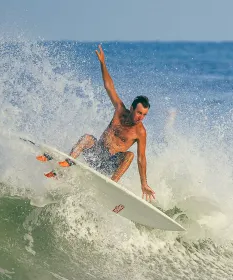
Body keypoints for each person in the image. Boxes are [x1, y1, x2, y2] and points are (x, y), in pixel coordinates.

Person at [40, 45, 155, 202]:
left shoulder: (140, 132)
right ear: (132, 108)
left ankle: (111, 186)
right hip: (96, 154)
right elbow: (109, 86)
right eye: (139, 113)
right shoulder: (120, 110)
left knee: (130, 155)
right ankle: (66, 165)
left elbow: (141, 159)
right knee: (87, 137)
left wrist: (144, 183)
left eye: (144, 115)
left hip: (110, 163)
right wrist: (102, 63)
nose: (141, 117)